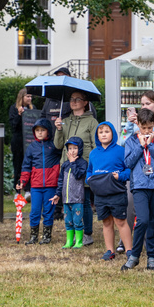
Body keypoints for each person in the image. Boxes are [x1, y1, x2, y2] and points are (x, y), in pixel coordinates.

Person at [120, 91, 154, 252]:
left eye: (147, 103)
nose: (144, 107)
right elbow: (124, 143)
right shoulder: (135, 135)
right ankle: (129, 244)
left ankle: (152, 245)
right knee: (134, 210)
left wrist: (150, 141)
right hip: (138, 177)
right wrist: (131, 125)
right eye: (142, 104)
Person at [53, 90, 98, 245]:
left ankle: (87, 233)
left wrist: (86, 164)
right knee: (68, 200)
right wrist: (58, 130)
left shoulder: (92, 122)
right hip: (67, 168)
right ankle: (73, 232)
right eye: (72, 99)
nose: (73, 101)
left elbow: (95, 146)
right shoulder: (65, 121)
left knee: (84, 200)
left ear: (85, 102)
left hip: (82, 167)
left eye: (78, 99)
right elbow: (58, 145)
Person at [87, 122, 132, 261]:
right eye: (101, 132)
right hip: (100, 194)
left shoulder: (121, 151)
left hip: (117, 192)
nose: (104, 134)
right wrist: (89, 180)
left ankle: (129, 250)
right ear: (97, 136)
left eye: (107, 131)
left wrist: (120, 176)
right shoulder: (93, 153)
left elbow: (129, 169)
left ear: (113, 133)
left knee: (120, 221)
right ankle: (109, 251)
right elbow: (89, 171)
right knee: (106, 222)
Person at [16, 119, 61, 245]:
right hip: (35, 186)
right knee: (35, 211)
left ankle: (47, 236)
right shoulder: (31, 148)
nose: (40, 133)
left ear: (48, 131)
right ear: (34, 132)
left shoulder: (55, 146)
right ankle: (33, 236)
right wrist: (22, 181)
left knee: (48, 211)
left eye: (42, 130)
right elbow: (26, 167)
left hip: (51, 185)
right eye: (37, 130)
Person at [50, 137, 88, 249]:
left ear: (80, 149)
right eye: (70, 148)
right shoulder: (65, 165)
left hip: (77, 198)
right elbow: (61, 180)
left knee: (77, 221)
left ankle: (79, 241)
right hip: (66, 199)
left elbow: (78, 175)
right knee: (68, 221)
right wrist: (58, 194)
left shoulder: (82, 163)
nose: (72, 151)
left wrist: (73, 162)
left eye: (75, 148)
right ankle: (69, 241)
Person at [8, 88, 34, 188]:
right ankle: (17, 188)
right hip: (18, 141)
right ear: (21, 97)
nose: (30, 98)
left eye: (31, 96)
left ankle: (28, 188)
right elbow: (13, 126)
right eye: (28, 96)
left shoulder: (33, 108)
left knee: (30, 165)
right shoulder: (14, 108)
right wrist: (19, 115)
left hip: (30, 141)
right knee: (18, 165)